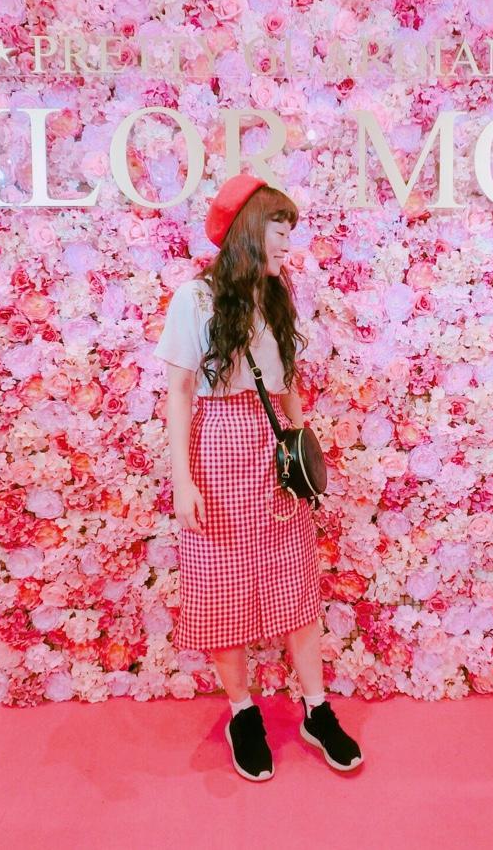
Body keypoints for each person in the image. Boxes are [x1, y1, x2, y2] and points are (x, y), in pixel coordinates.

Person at [153, 173, 364, 782]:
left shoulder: (276, 294)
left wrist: (303, 448)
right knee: (222, 587)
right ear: (248, 229)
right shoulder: (194, 299)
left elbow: (285, 380)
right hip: (217, 446)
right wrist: (182, 479)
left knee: (294, 582)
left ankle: (316, 709)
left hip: (273, 452)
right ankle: (242, 713)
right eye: (279, 228)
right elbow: (179, 390)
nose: (288, 242)